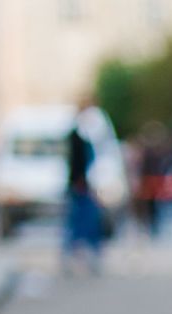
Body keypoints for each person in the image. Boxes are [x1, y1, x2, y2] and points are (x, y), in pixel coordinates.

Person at [63, 99, 105, 271]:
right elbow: (76, 162)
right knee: (81, 223)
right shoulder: (77, 135)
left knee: (86, 223)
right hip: (80, 186)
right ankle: (72, 256)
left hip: (85, 185)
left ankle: (86, 256)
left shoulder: (87, 134)